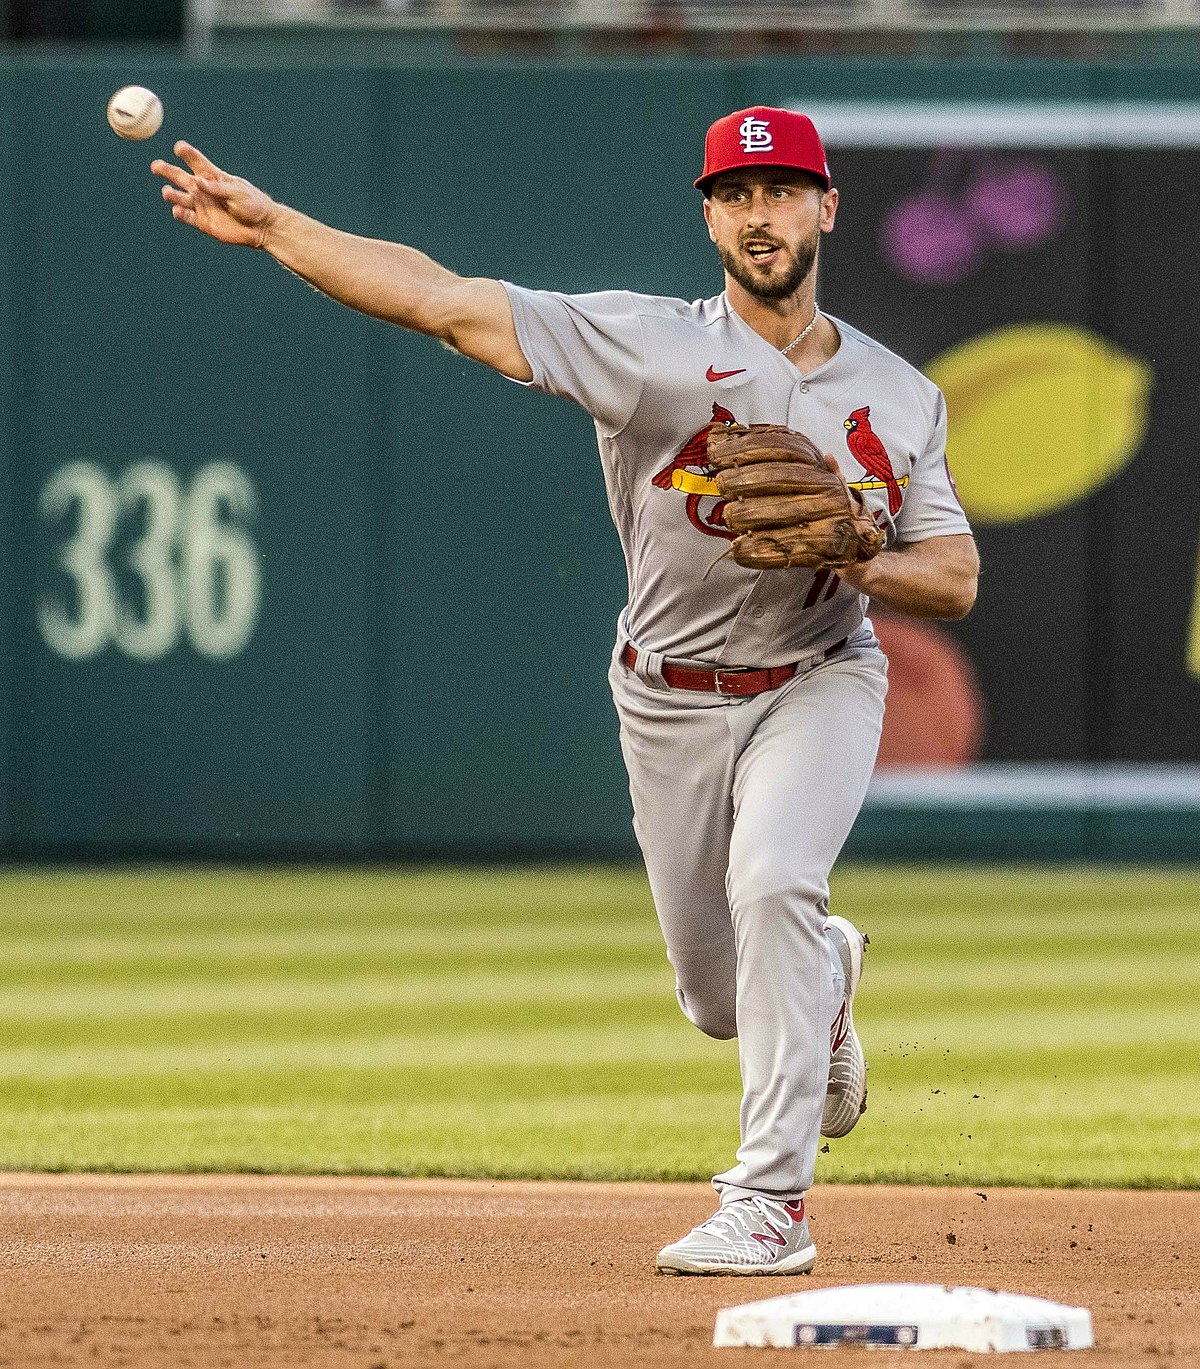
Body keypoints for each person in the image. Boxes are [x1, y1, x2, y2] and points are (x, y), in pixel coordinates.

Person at [152, 104, 978, 1275]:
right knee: (718, 997)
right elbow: (441, 298)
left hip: (820, 674)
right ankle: (824, 983)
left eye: (784, 190)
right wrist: (280, 226)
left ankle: (771, 1203)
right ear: (707, 216)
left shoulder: (900, 395)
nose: (761, 213)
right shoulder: (642, 344)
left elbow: (953, 574)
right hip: (669, 694)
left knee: (778, 877)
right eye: (737, 195)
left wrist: (859, 558)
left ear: (827, 206)